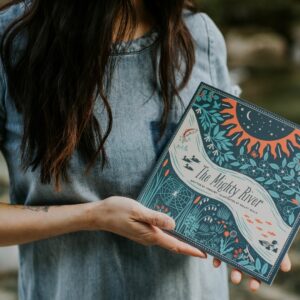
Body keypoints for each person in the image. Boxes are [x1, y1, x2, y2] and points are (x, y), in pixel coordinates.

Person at [0, 1, 291, 299]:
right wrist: (92, 216)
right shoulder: (10, 42)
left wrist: (264, 231)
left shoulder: (198, 35)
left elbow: (231, 173)